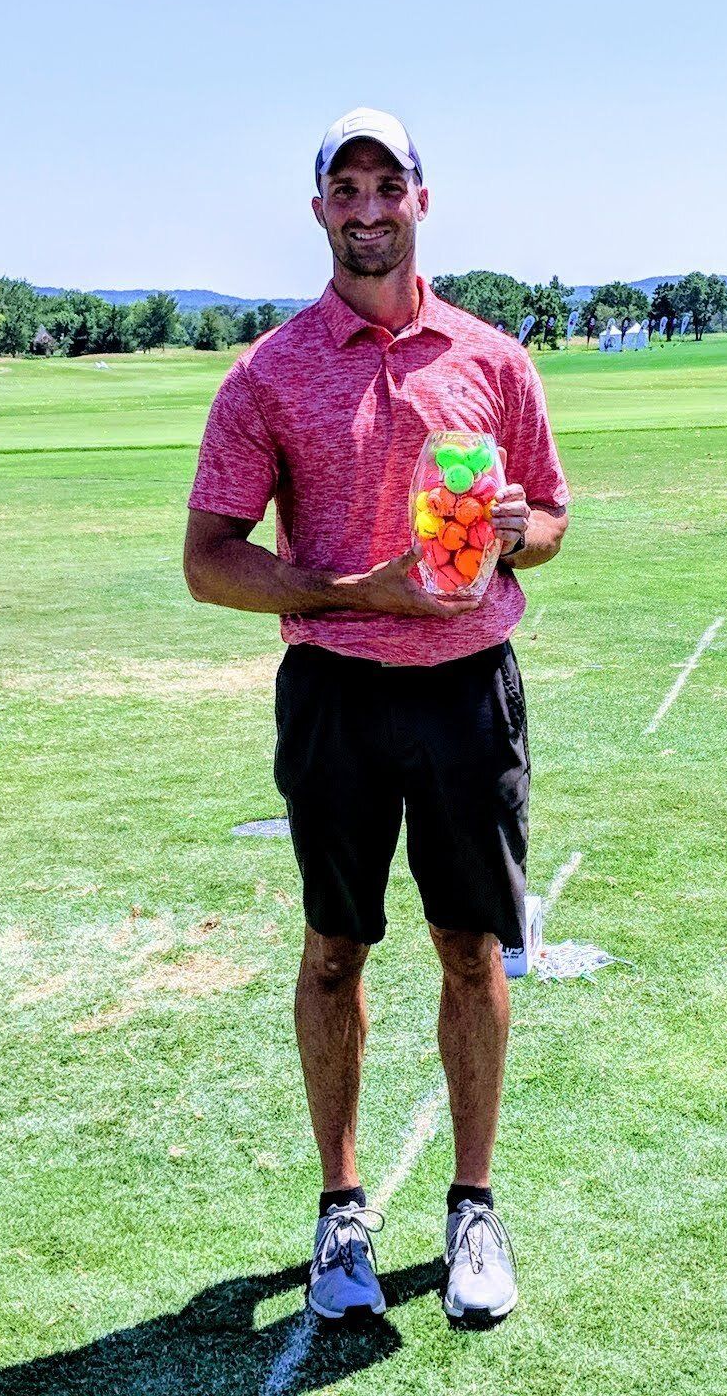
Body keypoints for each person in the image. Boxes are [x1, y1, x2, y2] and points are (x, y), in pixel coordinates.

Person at [183, 107, 569, 1327]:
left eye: (385, 183)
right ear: (317, 212)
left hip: (468, 689)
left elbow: (552, 520)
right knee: (335, 951)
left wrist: (521, 531)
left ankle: (472, 1206)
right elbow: (208, 559)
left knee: (471, 948)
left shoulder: (495, 359)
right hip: (338, 695)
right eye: (342, 188)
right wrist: (360, 592)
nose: (366, 206)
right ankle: (343, 1206)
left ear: (421, 199)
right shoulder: (271, 369)